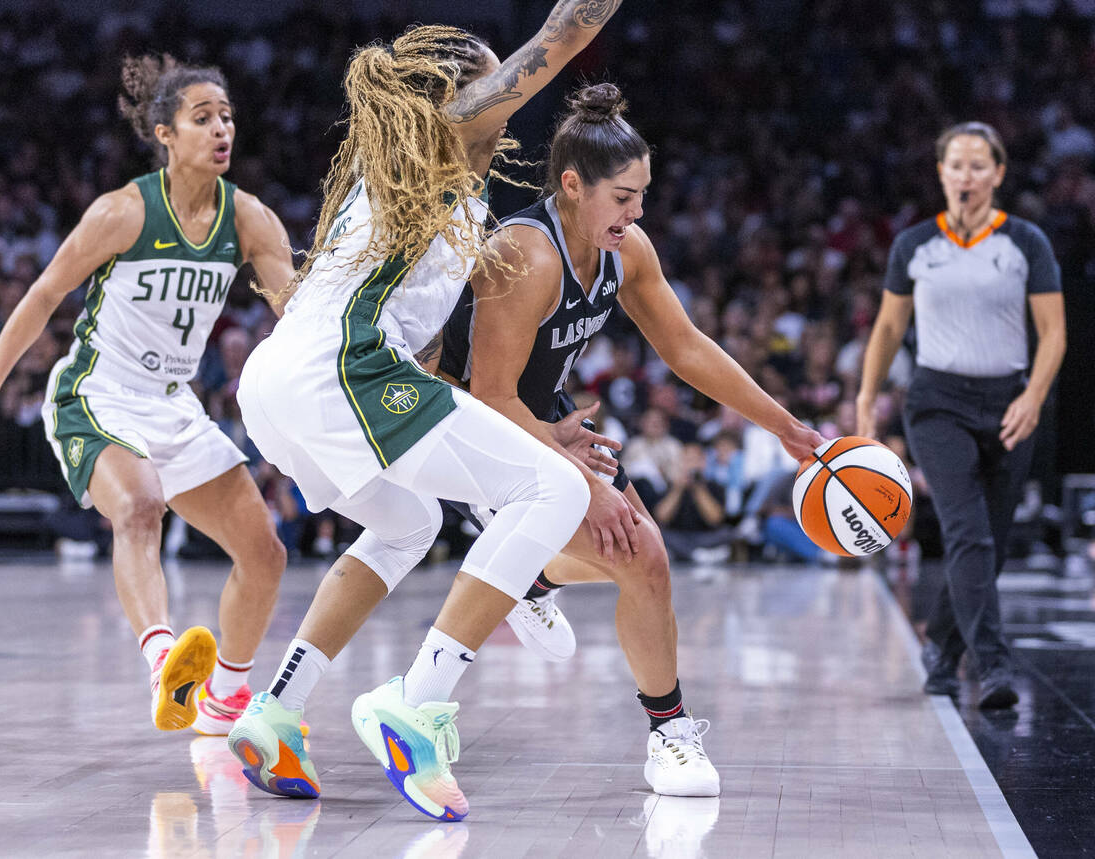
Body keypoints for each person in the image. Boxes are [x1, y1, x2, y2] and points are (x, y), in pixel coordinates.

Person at [228, 4, 626, 822]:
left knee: (409, 520)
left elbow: (428, 363)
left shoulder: (459, 200)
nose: (504, 94)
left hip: (298, 379)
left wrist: (528, 436)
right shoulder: (434, 141)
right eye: (491, 76)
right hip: (334, 371)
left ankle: (275, 712)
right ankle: (417, 702)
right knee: (554, 493)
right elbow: (561, 41)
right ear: (452, 93)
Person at [435, 83, 823, 797]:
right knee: (640, 549)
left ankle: (534, 578)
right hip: (464, 423)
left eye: (643, 195)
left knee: (645, 559)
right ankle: (668, 733)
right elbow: (487, 394)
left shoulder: (626, 249)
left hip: (541, 416)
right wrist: (579, 477)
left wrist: (787, 426)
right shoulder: (525, 254)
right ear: (573, 185)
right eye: (623, 197)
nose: (637, 211)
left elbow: (685, 346)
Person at [0, 56, 291, 735]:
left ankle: (223, 699)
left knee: (266, 554)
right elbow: (45, 294)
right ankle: (167, 663)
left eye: (227, 117)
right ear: (165, 133)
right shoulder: (124, 211)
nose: (222, 129)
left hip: (173, 402)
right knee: (139, 506)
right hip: (97, 391)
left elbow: (301, 320)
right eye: (203, 119)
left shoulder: (250, 220)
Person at [857, 121, 1065, 709]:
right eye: (956, 165)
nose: (966, 176)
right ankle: (994, 667)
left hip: (1010, 403)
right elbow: (891, 327)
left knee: (988, 543)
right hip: (936, 404)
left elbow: (1053, 335)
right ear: (941, 173)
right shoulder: (915, 244)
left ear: (998, 175)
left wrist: (1033, 396)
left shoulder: (1026, 242)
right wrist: (866, 398)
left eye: (979, 166)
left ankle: (942, 652)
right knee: (967, 531)